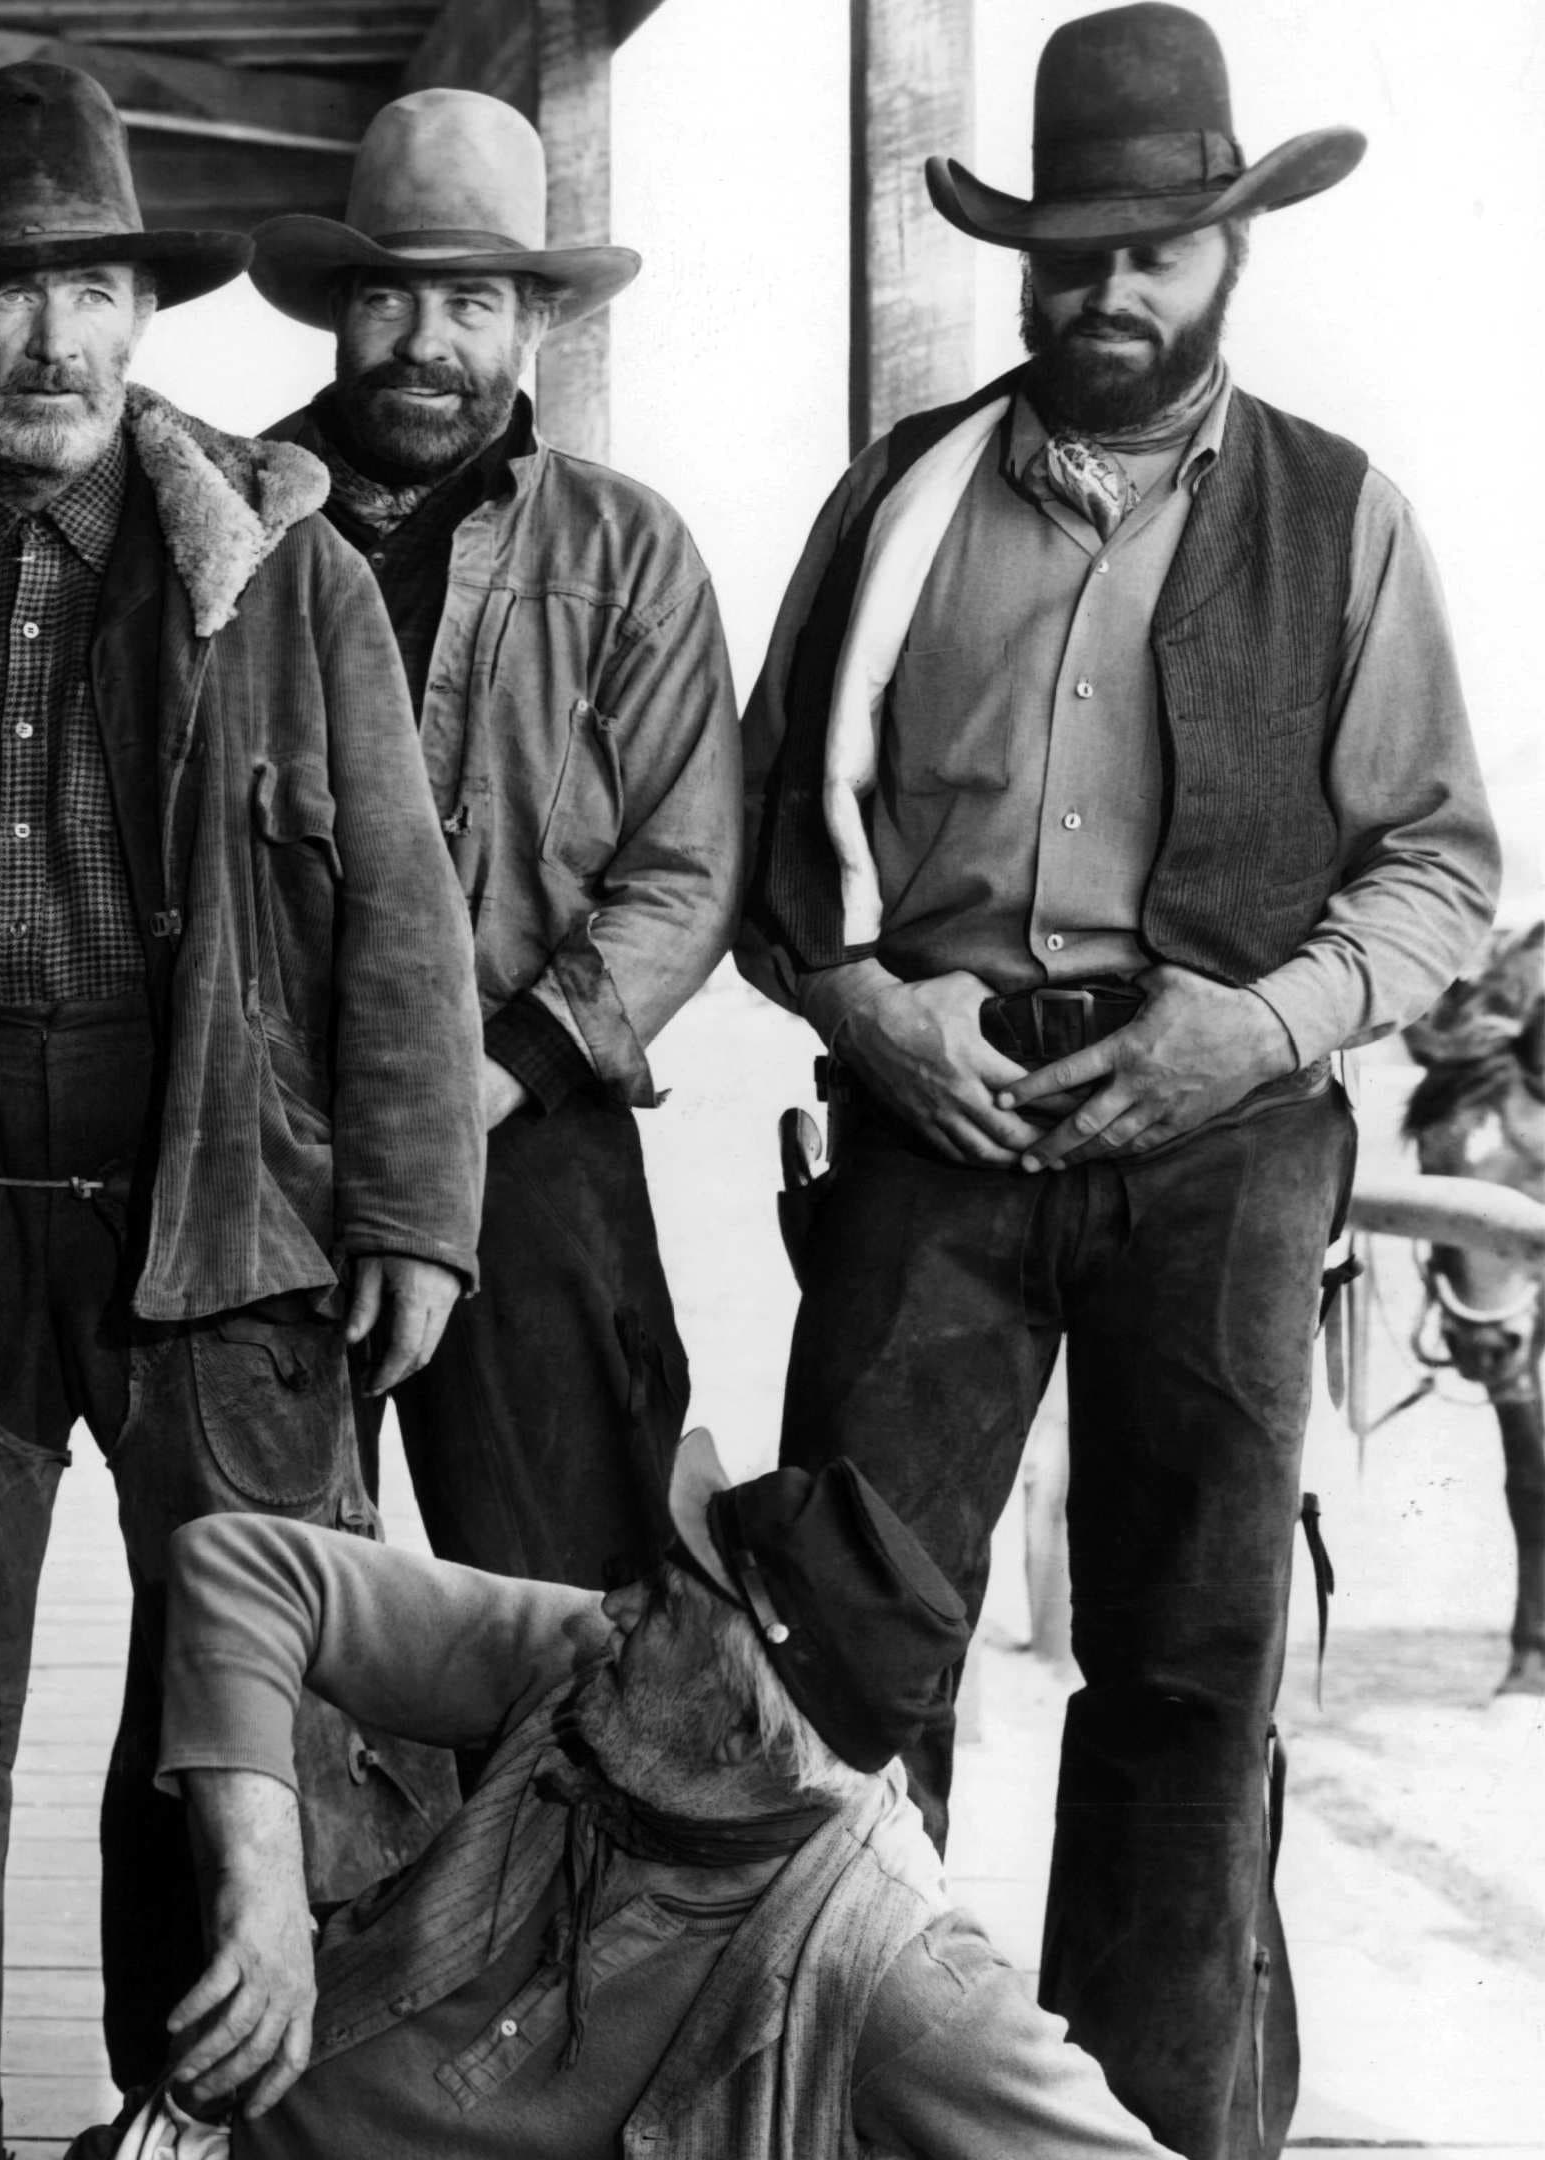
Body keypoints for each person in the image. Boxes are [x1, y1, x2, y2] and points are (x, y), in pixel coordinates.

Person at [0, 63, 485, 2155]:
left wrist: (416, 1216)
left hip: (220, 1204)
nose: (51, 340)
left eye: (92, 290)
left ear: (143, 313)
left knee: (260, 1718)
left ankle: (219, 2128)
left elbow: (402, 914)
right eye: (8, 295)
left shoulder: (282, 571)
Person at [733, 8, 1496, 2153]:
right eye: (1073, 254)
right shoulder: (898, 503)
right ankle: (844, 2117)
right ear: (1024, 265)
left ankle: (1148, 2137)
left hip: (1227, 1139)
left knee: (1188, 1672)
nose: (1111, 291)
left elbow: (1440, 869)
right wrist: (867, 1010)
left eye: (1157, 249)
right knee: (838, 1647)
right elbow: (769, 831)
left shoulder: (1342, 518)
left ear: (1232, 251)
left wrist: (1256, 1025)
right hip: (937, 1119)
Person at [124, 1436, 1178, 2158]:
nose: (618, 1607)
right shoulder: (589, 1671)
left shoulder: (893, 1971)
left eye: (668, 1603)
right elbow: (240, 1567)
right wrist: (263, 1901)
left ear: (741, 1729)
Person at [243, 88, 736, 1592]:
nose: (426, 340)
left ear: (534, 324)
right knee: (249, 1613)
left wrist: (490, 1075)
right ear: (339, 312)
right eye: (389, 298)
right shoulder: (224, 523)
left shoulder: (629, 549)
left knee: (567, 1606)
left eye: (471, 302)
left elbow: (689, 873)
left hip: (530, 1129)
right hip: (260, 1143)